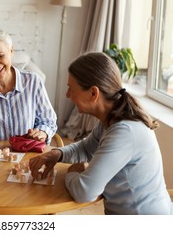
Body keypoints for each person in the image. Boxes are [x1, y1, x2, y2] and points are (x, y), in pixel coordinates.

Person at [29, 52, 172, 215]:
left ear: (93, 93)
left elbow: (85, 192)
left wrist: (72, 172)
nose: (67, 95)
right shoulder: (111, 119)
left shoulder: (124, 132)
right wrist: (56, 154)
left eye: (71, 89)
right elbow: (84, 149)